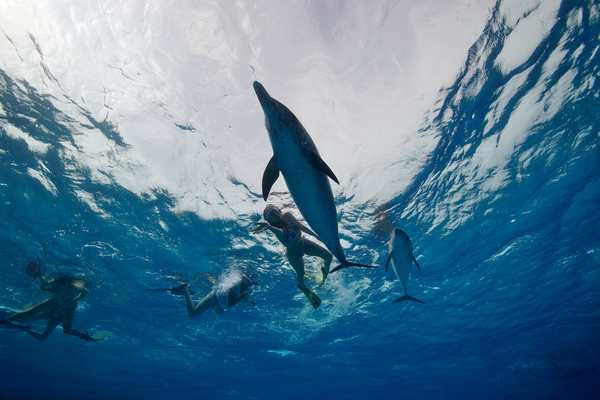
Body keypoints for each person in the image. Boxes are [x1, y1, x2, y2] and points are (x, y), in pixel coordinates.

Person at [252, 205, 333, 309]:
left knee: (328, 256)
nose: (274, 214)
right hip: (293, 254)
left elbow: (301, 226)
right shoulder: (275, 228)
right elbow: (283, 237)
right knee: (301, 275)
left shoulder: (287, 216)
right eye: (270, 214)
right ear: (268, 219)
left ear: (279, 210)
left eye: (274, 211)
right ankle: (303, 288)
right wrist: (269, 227)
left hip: (304, 243)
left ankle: (324, 275)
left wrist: (316, 236)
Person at [0, 261, 99, 341]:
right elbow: (45, 285)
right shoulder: (59, 282)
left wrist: (75, 299)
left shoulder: (74, 285)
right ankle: (5, 321)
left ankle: (84, 336)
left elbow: (85, 291)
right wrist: (40, 276)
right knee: (30, 312)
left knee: (66, 330)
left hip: (69, 306)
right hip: (55, 301)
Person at [154, 269, 256, 317]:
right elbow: (242, 295)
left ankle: (187, 293)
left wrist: (249, 301)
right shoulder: (243, 291)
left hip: (222, 298)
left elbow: (242, 295)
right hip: (219, 297)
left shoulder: (244, 290)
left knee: (219, 311)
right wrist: (249, 301)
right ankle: (185, 292)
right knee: (192, 314)